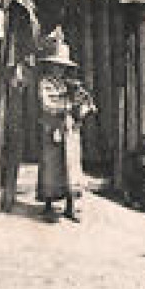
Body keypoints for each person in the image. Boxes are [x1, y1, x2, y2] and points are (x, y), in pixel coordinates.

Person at [35, 28, 97, 222]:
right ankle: (48, 205)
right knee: (51, 165)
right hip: (52, 128)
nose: (59, 70)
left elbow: (79, 107)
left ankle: (70, 205)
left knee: (71, 166)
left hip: (69, 130)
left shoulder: (67, 84)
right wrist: (68, 104)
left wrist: (83, 106)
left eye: (62, 67)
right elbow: (47, 105)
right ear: (49, 65)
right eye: (55, 66)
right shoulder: (45, 83)